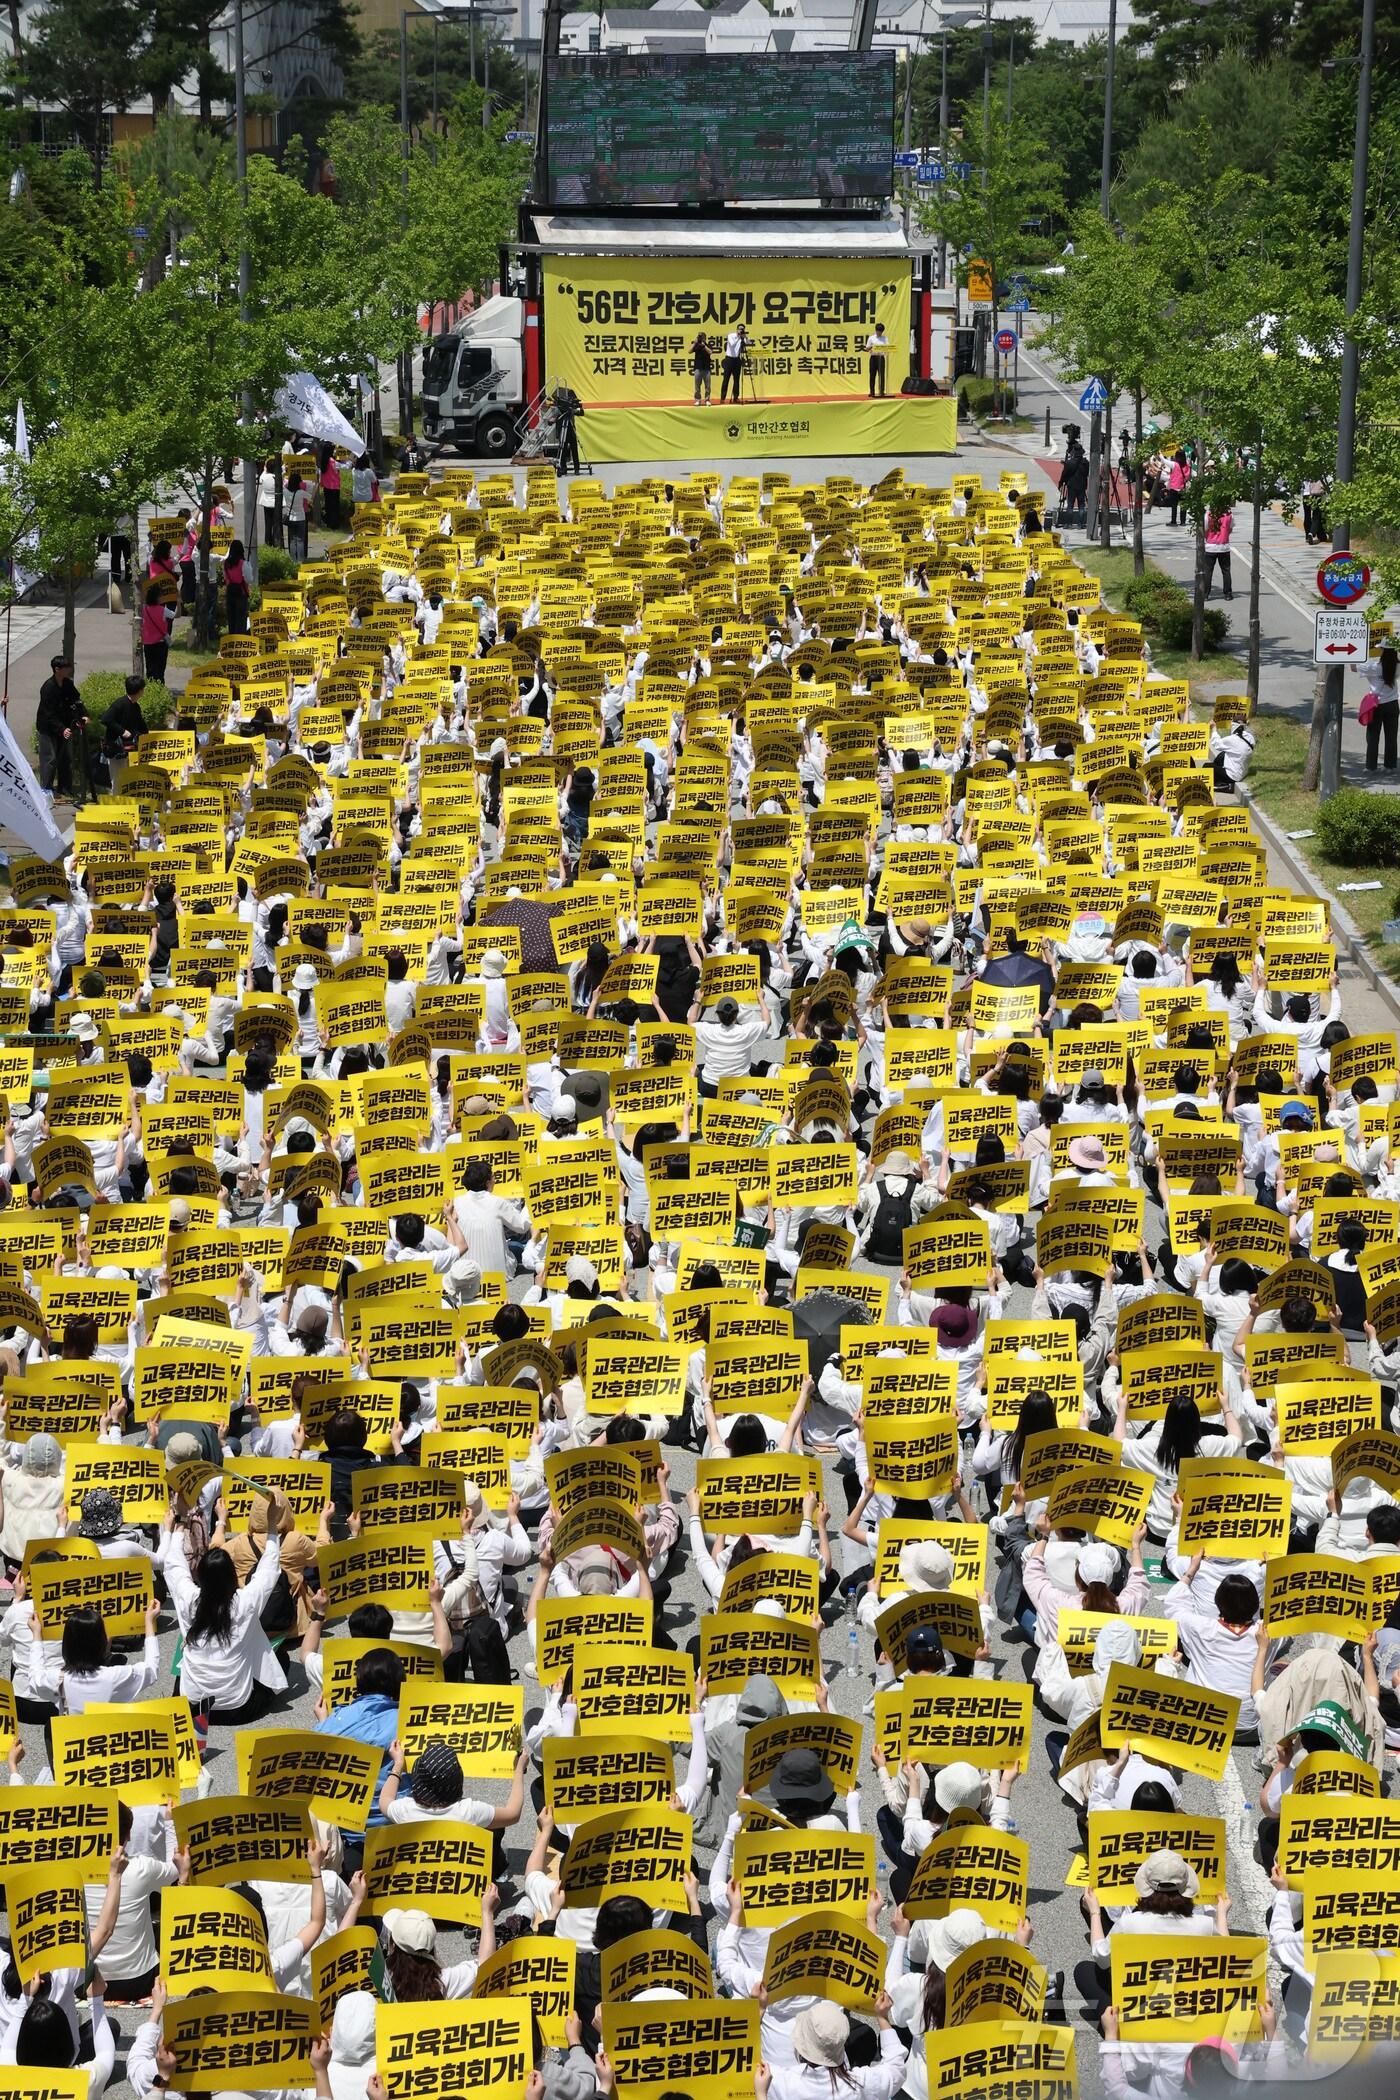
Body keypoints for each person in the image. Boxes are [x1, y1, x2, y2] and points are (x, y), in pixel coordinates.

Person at [36, 654, 88, 804]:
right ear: (57, 669)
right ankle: (46, 789)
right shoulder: (48, 687)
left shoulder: (67, 684)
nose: (68, 670)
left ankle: (65, 787)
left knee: (66, 758)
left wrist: (83, 714)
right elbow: (48, 713)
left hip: (65, 726)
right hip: (48, 727)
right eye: (65, 668)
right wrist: (61, 729)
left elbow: (76, 700)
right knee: (50, 758)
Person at [1359, 644, 1400, 773]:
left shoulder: (1373, 667)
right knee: (1391, 736)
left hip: (1376, 706)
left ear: (1382, 651)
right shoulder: (1397, 666)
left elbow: (1354, 667)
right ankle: (1390, 765)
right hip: (1393, 704)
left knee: (1373, 736)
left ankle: (1371, 766)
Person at [102, 673, 149, 762]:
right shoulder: (120, 703)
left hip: (129, 747)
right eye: (143, 689)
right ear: (139, 691)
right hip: (116, 747)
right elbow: (105, 719)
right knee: (118, 775)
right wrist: (122, 731)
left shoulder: (135, 706)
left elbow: (141, 724)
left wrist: (147, 737)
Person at [141, 582, 170, 683]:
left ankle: (150, 688)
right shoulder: (163, 610)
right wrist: (178, 602)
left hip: (147, 643)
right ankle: (160, 687)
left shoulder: (144, 610)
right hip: (161, 643)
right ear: (158, 597)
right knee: (160, 669)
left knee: (150, 667)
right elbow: (176, 615)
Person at [1203, 504, 1234, 599]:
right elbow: (1230, 528)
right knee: (1226, 570)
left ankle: (1205, 594)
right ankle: (1228, 593)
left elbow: (1205, 528)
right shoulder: (1229, 514)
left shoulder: (1208, 514)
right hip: (1224, 546)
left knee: (1208, 571)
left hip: (1210, 546)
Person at [223, 539, 250, 635]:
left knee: (232, 620)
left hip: (230, 594)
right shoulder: (244, 564)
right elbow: (249, 579)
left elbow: (225, 578)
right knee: (241, 620)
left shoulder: (226, 563)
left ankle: (232, 638)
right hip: (241, 594)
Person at [286, 472, 311, 562]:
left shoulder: (286, 492)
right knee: (300, 540)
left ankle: (293, 560)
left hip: (291, 519)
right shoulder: (301, 493)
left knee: (292, 540)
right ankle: (300, 561)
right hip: (301, 518)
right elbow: (311, 497)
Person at [721, 324, 746, 404]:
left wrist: (744, 337)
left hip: (737, 359)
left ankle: (736, 397)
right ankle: (723, 398)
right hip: (729, 359)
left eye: (742, 329)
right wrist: (738, 336)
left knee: (736, 380)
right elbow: (732, 344)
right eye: (740, 329)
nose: (741, 331)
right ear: (737, 329)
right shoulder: (731, 335)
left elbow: (748, 342)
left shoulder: (742, 338)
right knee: (726, 379)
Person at [867, 322, 889, 397]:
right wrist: (871, 347)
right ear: (876, 330)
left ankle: (882, 391)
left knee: (881, 375)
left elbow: (888, 347)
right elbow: (867, 348)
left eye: (880, 331)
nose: (879, 333)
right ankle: (872, 391)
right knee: (872, 375)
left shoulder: (885, 338)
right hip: (873, 357)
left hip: (881, 357)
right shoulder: (871, 338)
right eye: (878, 331)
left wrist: (883, 349)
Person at [691, 333, 713, 407]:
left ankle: (707, 400)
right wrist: (695, 342)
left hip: (706, 369)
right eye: (699, 337)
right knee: (697, 386)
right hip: (698, 368)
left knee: (708, 386)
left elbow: (710, 352)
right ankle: (697, 400)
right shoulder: (696, 345)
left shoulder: (707, 345)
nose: (700, 338)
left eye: (702, 337)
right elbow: (689, 351)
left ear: (705, 338)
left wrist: (704, 345)